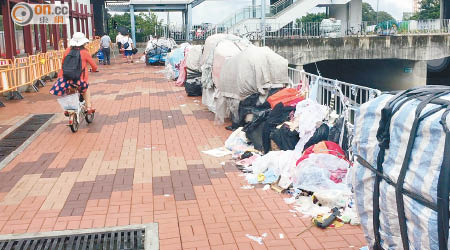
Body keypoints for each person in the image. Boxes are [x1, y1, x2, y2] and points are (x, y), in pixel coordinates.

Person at [50, 32, 98, 113]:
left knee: (70, 90)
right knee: (86, 89)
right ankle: (89, 107)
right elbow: (94, 66)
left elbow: (63, 64)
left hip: (65, 79)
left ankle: (70, 109)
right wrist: (94, 69)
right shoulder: (85, 52)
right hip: (79, 80)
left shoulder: (67, 51)